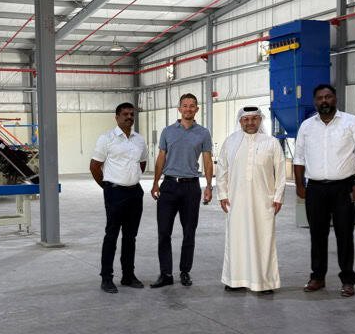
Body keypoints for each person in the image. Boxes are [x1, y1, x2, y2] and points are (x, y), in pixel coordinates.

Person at [293, 84, 355, 297]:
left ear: (335, 99)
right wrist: (300, 184)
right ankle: (317, 277)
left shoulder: (352, 123)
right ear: (315, 101)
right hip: (315, 189)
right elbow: (299, 158)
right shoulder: (307, 126)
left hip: (343, 187)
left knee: (345, 235)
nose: (324, 101)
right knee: (317, 235)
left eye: (328, 97)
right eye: (320, 98)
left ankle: (347, 279)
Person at [217, 106, 286, 294]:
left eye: (254, 119)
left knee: (263, 240)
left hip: (264, 201)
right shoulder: (230, 142)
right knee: (236, 239)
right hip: (235, 201)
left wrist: (278, 196)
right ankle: (235, 279)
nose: (250, 123)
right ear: (240, 121)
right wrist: (222, 194)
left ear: (260, 120)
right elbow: (222, 170)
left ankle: (264, 282)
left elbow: (280, 172)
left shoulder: (271, 142)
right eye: (246, 119)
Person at [149, 93, 214, 288]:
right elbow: (161, 158)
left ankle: (185, 271)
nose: (188, 109)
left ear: (197, 109)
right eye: (184, 105)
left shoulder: (203, 133)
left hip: (191, 187)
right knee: (164, 232)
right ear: (179, 109)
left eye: (192, 106)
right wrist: (155, 182)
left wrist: (209, 186)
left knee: (189, 232)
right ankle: (166, 274)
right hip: (169, 186)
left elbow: (208, 161)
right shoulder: (168, 131)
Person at [90, 102, 148, 293]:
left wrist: (131, 178)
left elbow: (142, 163)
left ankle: (128, 275)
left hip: (135, 193)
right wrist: (108, 187)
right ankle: (106, 278)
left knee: (130, 237)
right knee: (112, 236)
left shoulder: (139, 140)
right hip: (115, 193)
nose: (129, 117)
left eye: (132, 114)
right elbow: (95, 166)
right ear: (116, 117)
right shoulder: (106, 139)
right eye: (125, 114)